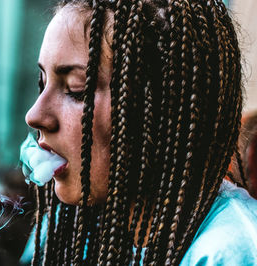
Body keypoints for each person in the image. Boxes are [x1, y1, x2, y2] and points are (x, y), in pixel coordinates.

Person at [23, 0, 257, 265]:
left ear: (161, 104)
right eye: (42, 84)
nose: (35, 116)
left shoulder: (230, 253)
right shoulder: (69, 228)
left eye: (77, 90)